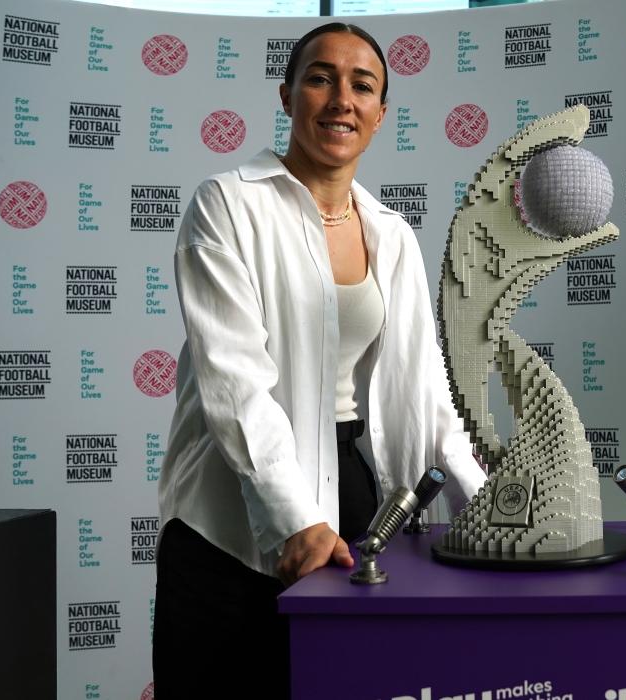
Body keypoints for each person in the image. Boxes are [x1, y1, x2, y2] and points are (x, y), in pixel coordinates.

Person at [152, 22, 486, 698]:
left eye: (362, 86)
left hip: (357, 505)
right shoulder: (226, 204)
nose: (341, 100)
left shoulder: (393, 234)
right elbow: (236, 383)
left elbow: (427, 394)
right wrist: (294, 519)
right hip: (229, 521)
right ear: (287, 96)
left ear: (380, 114)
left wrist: (486, 508)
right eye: (320, 79)